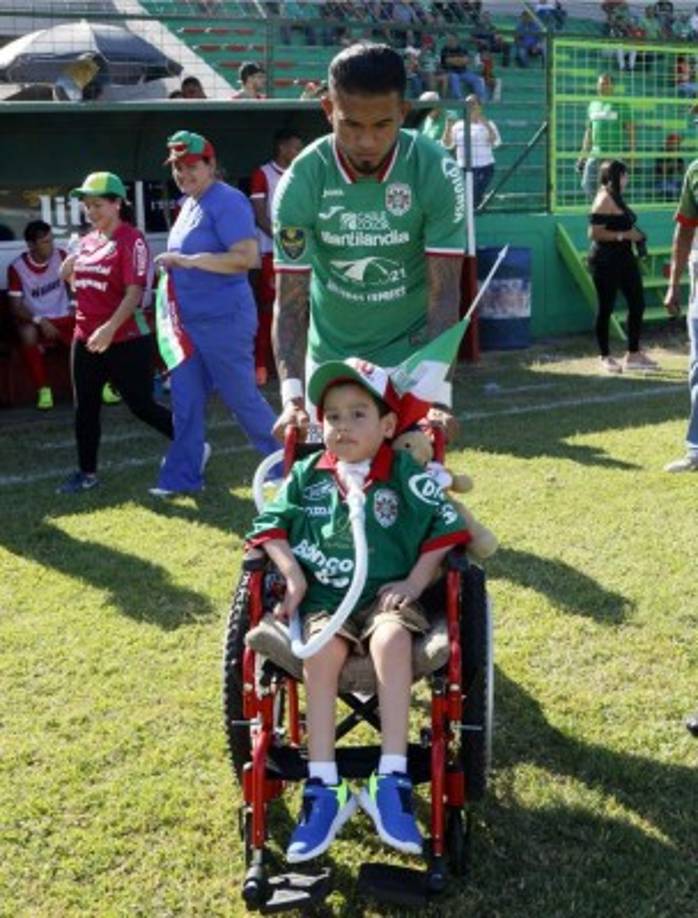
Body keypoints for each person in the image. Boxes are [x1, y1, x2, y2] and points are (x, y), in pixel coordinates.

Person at [245, 357, 471, 862]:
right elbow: (267, 525)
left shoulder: (403, 473)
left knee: (391, 638)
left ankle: (392, 779)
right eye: (332, 416)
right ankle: (324, 788)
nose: (342, 426)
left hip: (385, 600)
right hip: (327, 601)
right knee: (320, 654)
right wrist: (293, 573)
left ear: (389, 425)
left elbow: (449, 523)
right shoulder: (308, 474)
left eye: (357, 414)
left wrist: (415, 580)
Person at [271, 43, 466, 439]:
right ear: (328, 111)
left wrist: (436, 396)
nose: (367, 142)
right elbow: (290, 302)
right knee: (322, 495)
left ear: (403, 114)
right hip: (329, 366)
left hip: (410, 366)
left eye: (382, 125)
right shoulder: (301, 181)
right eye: (351, 125)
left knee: (414, 494)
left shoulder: (436, 171)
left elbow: (444, 295)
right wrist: (291, 400)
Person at [151, 131, 279, 496]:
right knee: (185, 404)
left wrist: (187, 261)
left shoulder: (228, 200)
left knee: (242, 399)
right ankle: (182, 477)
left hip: (223, 321)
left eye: (191, 165)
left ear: (211, 165)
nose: (183, 173)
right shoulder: (190, 203)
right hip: (188, 325)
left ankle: (286, 466)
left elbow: (246, 258)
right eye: (177, 167)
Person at [57, 172, 174, 494]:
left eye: (97, 204)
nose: (91, 211)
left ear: (117, 204)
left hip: (126, 338)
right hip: (86, 336)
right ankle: (86, 473)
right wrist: (68, 273)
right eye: (87, 205)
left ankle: (191, 444)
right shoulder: (86, 240)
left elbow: (134, 293)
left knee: (140, 405)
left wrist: (109, 329)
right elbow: (84, 288)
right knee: (85, 408)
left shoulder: (132, 239)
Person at [587, 159, 658, 374]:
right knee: (605, 309)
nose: (627, 179)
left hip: (625, 259)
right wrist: (625, 235)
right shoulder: (603, 199)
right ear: (615, 177)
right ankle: (605, 356)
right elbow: (593, 233)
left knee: (638, 304)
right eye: (624, 175)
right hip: (605, 261)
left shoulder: (617, 197)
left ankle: (633, 354)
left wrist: (637, 238)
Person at [249, 128, 304, 386]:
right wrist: (286, 243)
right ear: (282, 147)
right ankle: (261, 363)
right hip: (273, 253)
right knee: (271, 309)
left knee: (300, 310)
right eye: (295, 147)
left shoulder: (302, 172)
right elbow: (259, 215)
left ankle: (292, 365)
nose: (298, 152)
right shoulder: (263, 174)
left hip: (301, 254)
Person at [8, 221, 73, 410]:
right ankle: (43, 389)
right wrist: (40, 320)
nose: (51, 246)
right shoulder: (17, 267)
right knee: (26, 332)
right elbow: (15, 307)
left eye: (51, 240)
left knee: (90, 328)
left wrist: (75, 305)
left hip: (63, 316)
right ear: (31, 245)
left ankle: (101, 386)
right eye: (45, 242)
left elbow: (78, 284)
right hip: (38, 321)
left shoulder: (61, 256)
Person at [663, 155, 698, 472]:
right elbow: (684, 230)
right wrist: (673, 284)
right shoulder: (695, 169)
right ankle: (697, 450)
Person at [577, 73, 634, 202]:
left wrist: (631, 152)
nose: (603, 86)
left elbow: (630, 129)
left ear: (613, 86)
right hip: (595, 153)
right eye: (601, 83)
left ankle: (610, 212)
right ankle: (600, 208)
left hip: (613, 154)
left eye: (606, 83)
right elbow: (589, 131)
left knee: (613, 189)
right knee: (587, 185)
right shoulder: (592, 105)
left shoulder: (621, 104)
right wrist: (583, 154)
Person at [450, 94, 501, 208]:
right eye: (468, 104)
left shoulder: (489, 124)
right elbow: (450, 145)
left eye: (474, 104)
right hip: (463, 166)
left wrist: (486, 124)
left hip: (484, 166)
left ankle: (475, 215)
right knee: (465, 198)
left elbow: (495, 142)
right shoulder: (458, 125)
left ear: (480, 106)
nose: (471, 107)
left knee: (474, 195)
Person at [439, 32, 487, 101]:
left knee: (477, 79)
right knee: (454, 77)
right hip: (450, 72)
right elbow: (448, 61)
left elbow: (466, 61)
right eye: (449, 40)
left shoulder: (462, 49)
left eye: (452, 40)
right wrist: (460, 60)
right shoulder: (444, 50)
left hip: (464, 72)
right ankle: (458, 98)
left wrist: (455, 61)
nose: (450, 42)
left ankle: (481, 99)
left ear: (457, 40)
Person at [654, 133, 685, 202]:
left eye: (678, 143)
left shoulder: (678, 154)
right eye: (675, 143)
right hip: (661, 182)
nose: (677, 145)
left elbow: (683, 171)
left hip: (674, 181)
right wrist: (674, 161)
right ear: (669, 143)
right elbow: (664, 171)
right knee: (669, 188)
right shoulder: (662, 153)